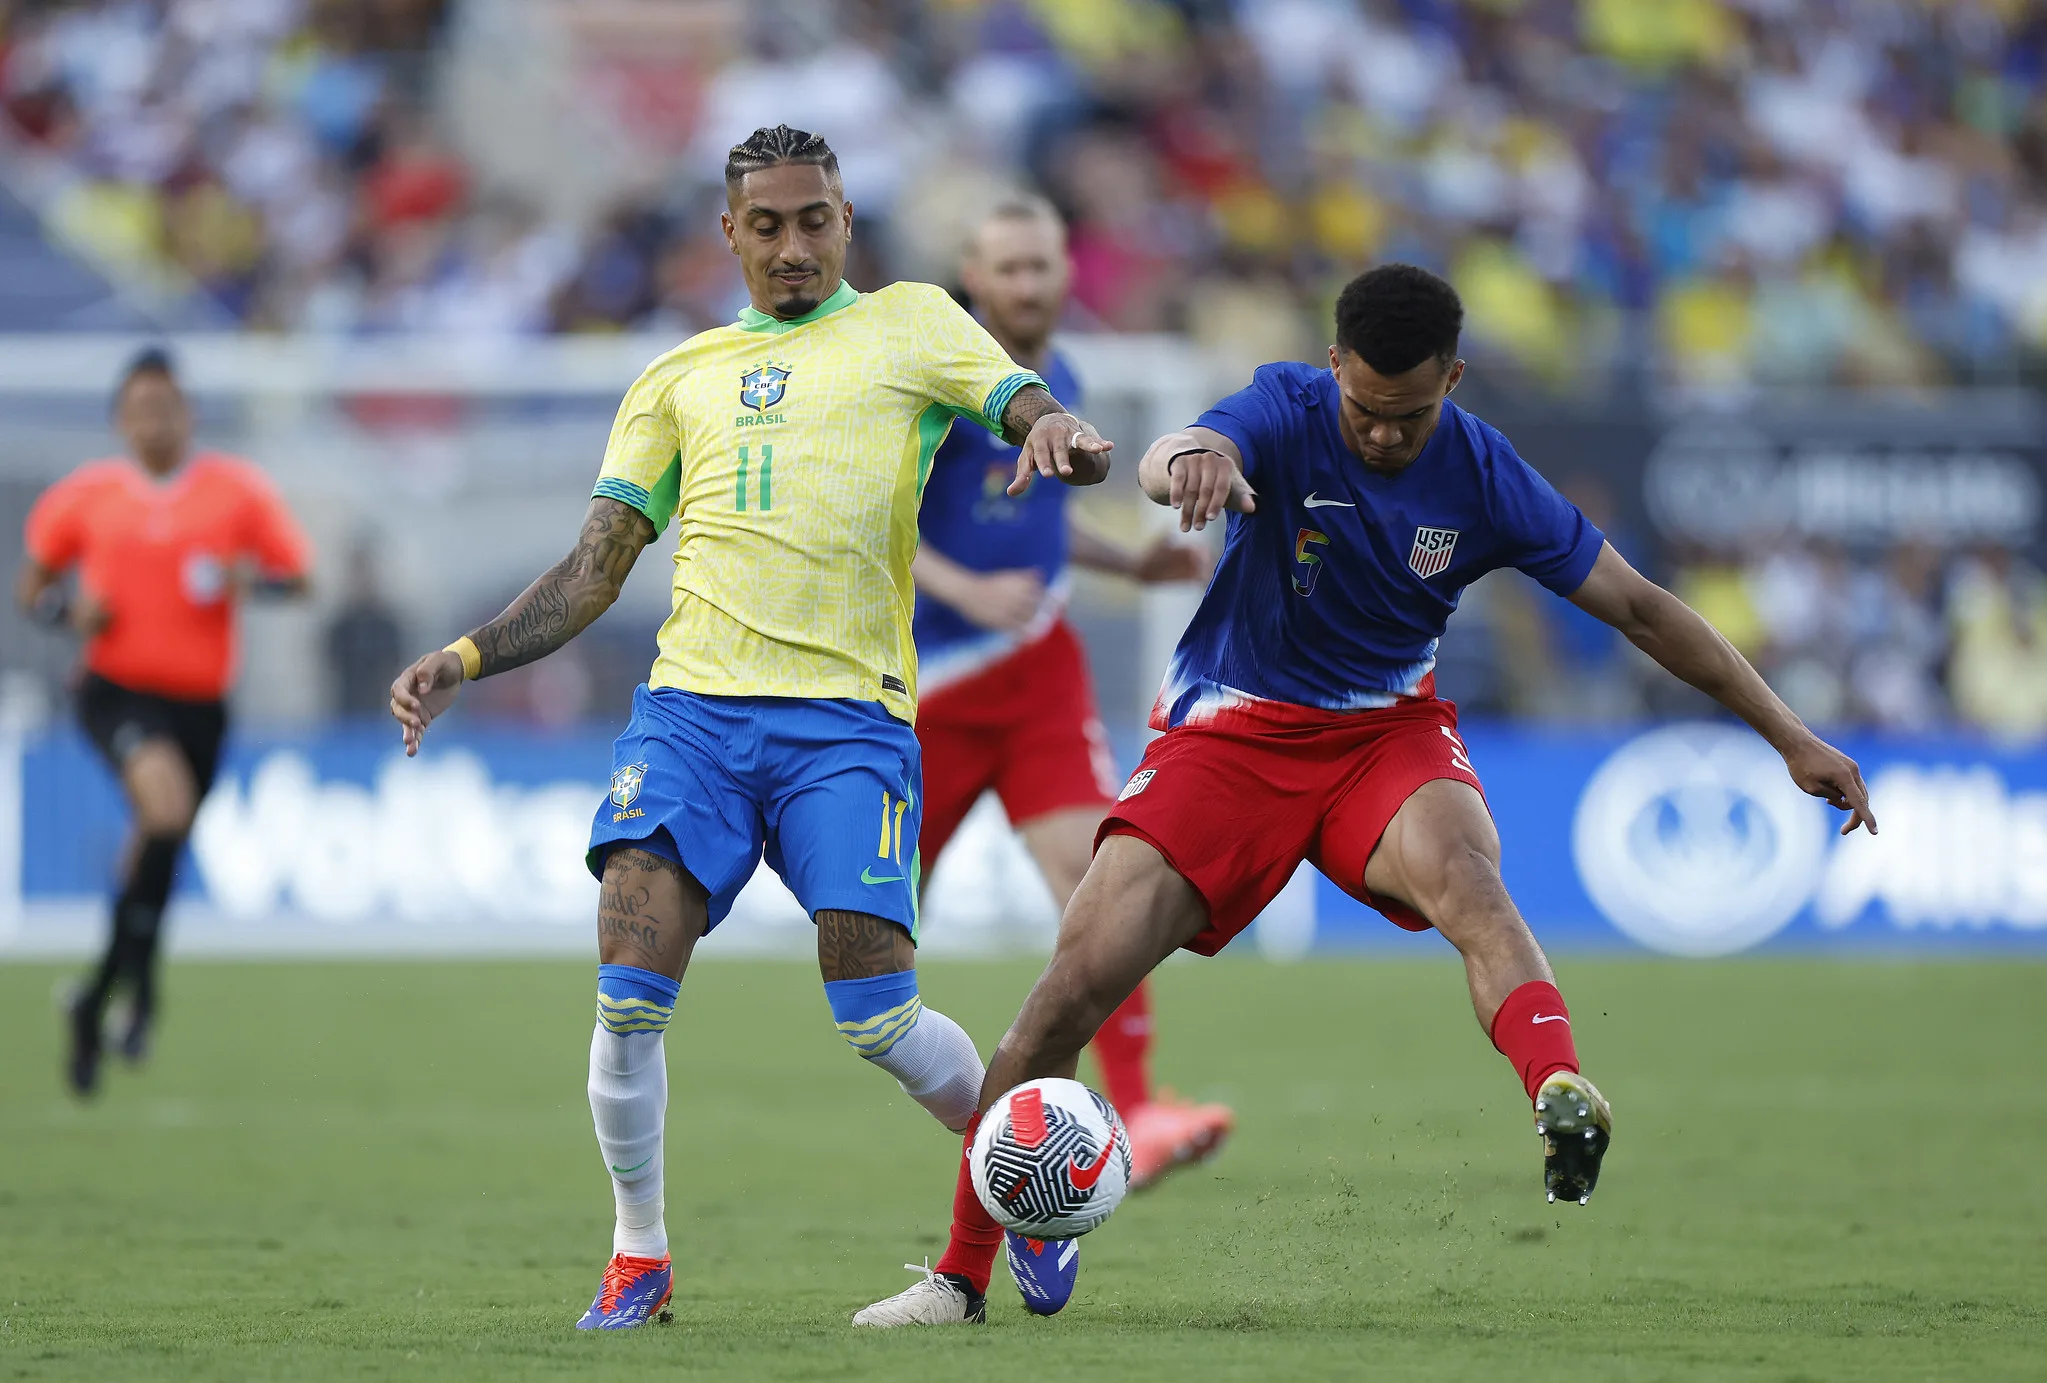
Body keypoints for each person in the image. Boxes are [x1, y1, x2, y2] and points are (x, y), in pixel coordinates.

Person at [858, 263, 1878, 1325]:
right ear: (1333, 364)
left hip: (1382, 740)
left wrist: (1789, 735)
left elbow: (1639, 606)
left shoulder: (1485, 474)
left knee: (1471, 884)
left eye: (1411, 415)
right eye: (1366, 411)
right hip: (1230, 739)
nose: (1385, 435)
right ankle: (962, 1275)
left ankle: (1560, 1089)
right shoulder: (1284, 405)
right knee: (1068, 992)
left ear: (1455, 377)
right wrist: (1189, 460)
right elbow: (1175, 457)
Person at [385, 125, 1113, 1332]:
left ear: (844, 222)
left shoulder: (912, 322)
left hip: (847, 723)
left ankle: (1023, 1199)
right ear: (728, 232)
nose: (791, 245)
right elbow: (593, 569)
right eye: (765, 225)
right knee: (626, 996)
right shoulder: (675, 379)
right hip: (692, 720)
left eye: (813, 220)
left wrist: (1047, 425)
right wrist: (467, 656)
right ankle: (638, 1255)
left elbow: (1020, 395)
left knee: (875, 1017)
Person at [911, 196, 1233, 1201]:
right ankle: (989, 1136)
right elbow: (867, 522)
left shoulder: (1068, 378)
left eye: (1041, 266)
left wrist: (1126, 567)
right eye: (1006, 269)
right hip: (927, 692)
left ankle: (1132, 1108)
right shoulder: (932, 382)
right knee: (872, 947)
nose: (1028, 286)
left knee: (1098, 882)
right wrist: (962, 590)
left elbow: (1037, 525)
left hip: (1037, 671)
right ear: (970, 274)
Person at [15, 347, 312, 1096]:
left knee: (158, 841)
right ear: (121, 420)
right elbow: (33, 586)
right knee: (166, 805)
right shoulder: (85, 498)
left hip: (201, 705)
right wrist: (65, 609)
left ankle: (99, 997)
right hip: (115, 690)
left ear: (189, 414)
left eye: (166, 407)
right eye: (140, 408)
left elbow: (298, 577)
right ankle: (136, 996)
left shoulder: (234, 494)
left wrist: (254, 581)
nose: (154, 421)